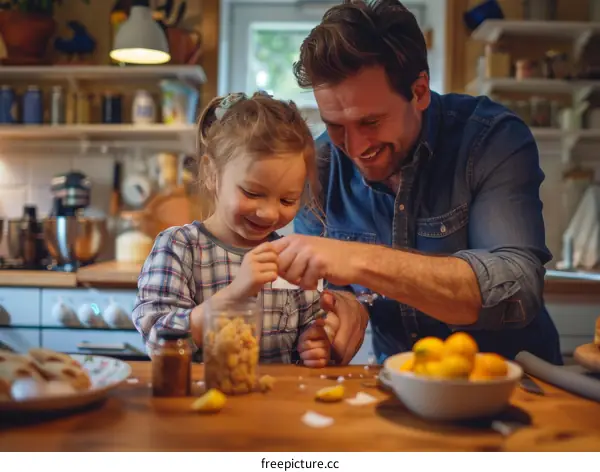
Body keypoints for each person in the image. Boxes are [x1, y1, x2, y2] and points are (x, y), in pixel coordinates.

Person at [272, 0, 563, 365]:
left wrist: (361, 260)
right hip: (399, 386)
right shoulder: (322, 166)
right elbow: (332, 291)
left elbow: (516, 290)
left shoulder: (490, 139)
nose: (355, 147)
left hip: (518, 384)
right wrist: (342, 314)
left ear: (420, 91)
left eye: (371, 122)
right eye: (335, 126)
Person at [131, 91, 368, 367]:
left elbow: (312, 328)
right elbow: (157, 339)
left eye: (287, 200)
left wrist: (315, 342)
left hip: (274, 404)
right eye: (252, 193)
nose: (268, 213)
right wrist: (235, 295)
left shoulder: (290, 258)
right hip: (200, 403)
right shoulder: (179, 247)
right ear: (211, 173)